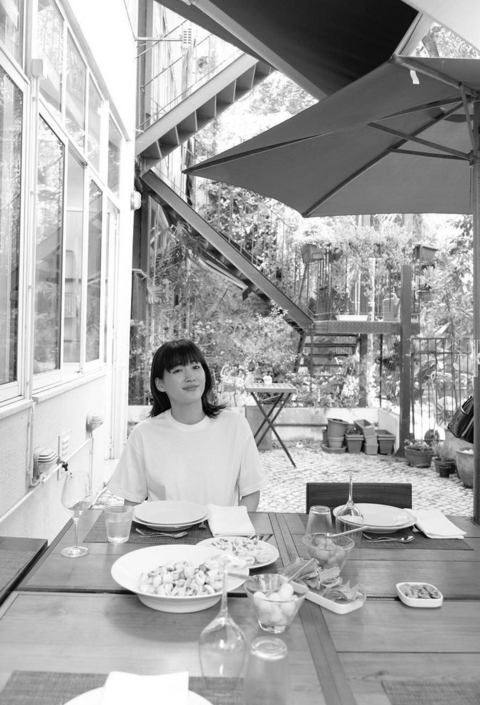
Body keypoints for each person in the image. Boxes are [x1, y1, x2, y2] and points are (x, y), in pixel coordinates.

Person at [108, 339, 267, 510]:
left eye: (196, 367)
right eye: (178, 370)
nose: (190, 377)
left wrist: (232, 525)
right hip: (164, 527)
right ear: (160, 384)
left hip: (222, 527)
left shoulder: (235, 426)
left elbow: (251, 492)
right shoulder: (144, 434)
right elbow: (132, 502)